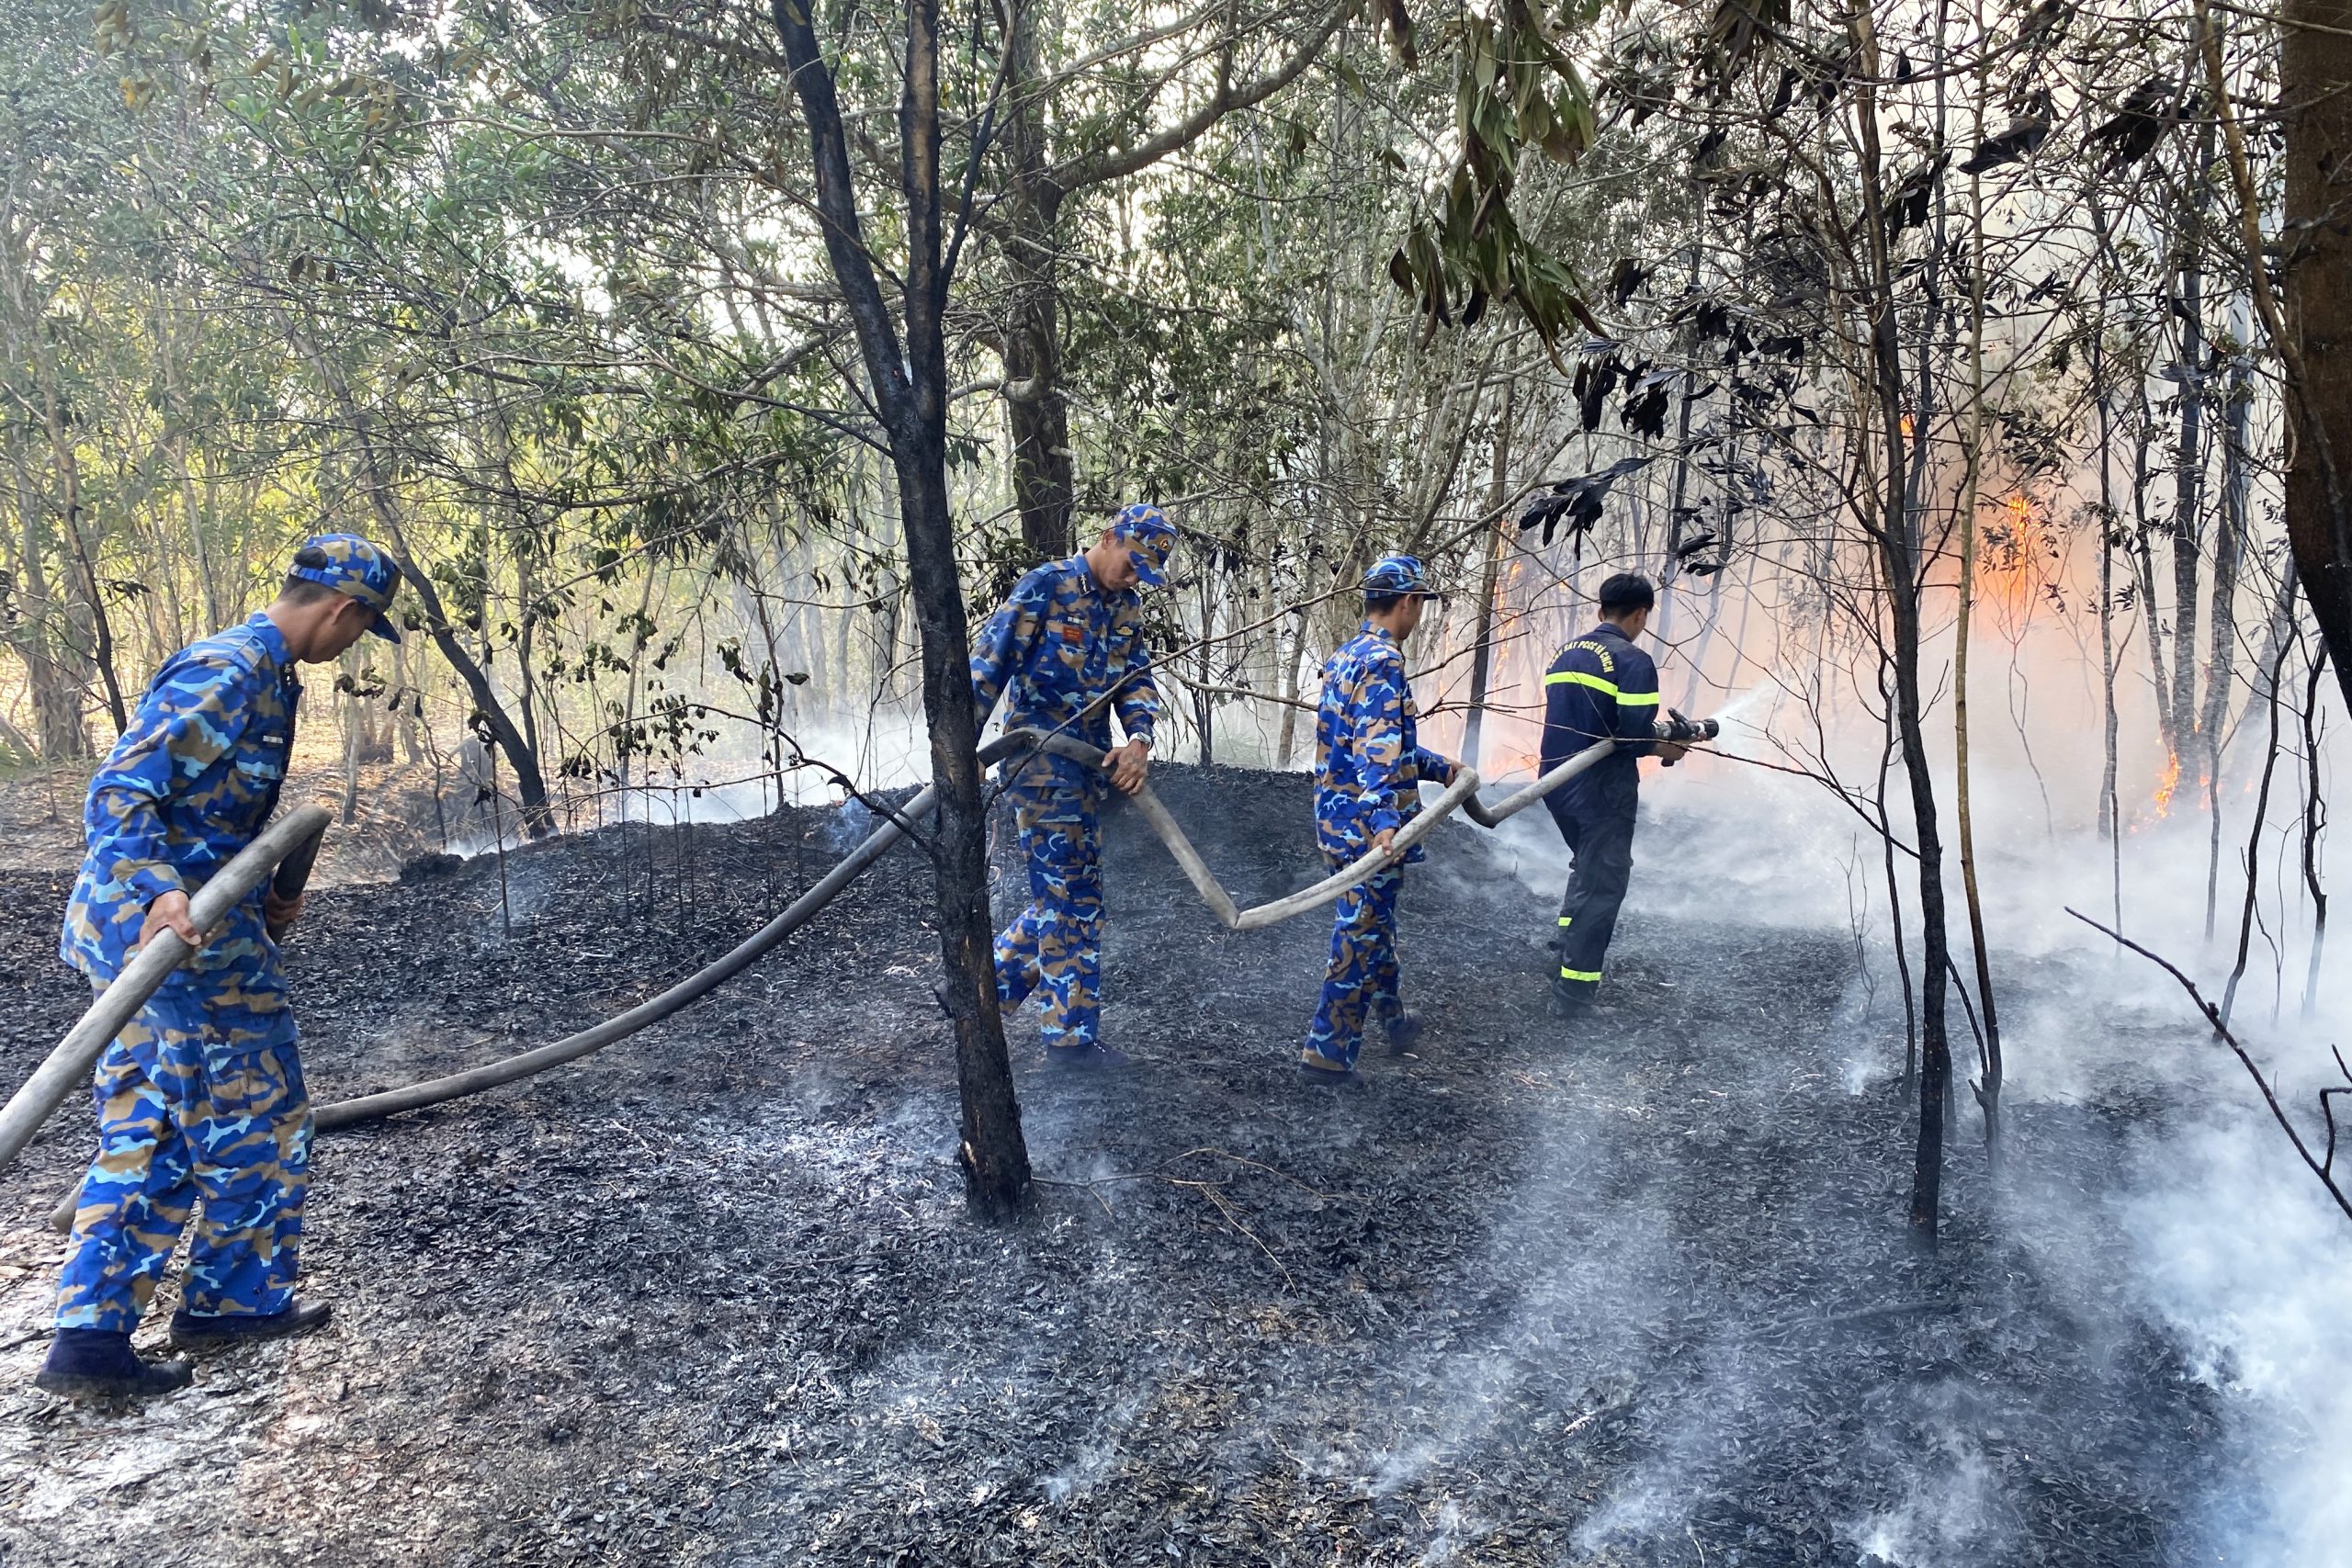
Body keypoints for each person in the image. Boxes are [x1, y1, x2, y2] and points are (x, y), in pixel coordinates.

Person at [37, 535, 403, 1402]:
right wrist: (165, 893)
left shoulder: (268, 672)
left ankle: (94, 1337)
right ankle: (231, 1300)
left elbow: (212, 812)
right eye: (363, 629)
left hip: (190, 930)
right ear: (344, 610)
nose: (356, 644)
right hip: (174, 941)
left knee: (149, 1120)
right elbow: (119, 790)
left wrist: (271, 891)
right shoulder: (230, 669)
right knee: (259, 1111)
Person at [968, 504, 1175, 1069]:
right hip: (1037, 764)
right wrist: (960, 756)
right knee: (1072, 902)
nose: (1134, 579)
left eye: (1144, 575)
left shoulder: (1125, 607)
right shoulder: (1047, 586)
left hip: (1089, 768)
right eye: (1132, 565)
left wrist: (1138, 740)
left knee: (1068, 897)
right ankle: (1069, 1041)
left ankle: (982, 992)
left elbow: (1137, 681)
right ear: (1109, 537)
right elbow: (986, 667)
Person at [1298, 555, 1462, 1082]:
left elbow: (1364, 741)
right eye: (1420, 606)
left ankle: (1393, 1021)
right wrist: (1383, 819)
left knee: (1374, 923)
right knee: (1359, 930)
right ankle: (1326, 1056)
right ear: (1408, 602)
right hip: (1367, 827)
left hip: (1335, 817)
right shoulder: (1385, 661)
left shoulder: (1345, 656)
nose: (1419, 617)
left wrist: (1439, 768)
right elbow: (1376, 751)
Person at [1538, 571, 1689, 1020]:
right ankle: (1575, 996)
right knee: (1604, 885)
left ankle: (1565, 944)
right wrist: (1669, 748)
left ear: (1601, 610)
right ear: (1642, 613)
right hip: (1602, 788)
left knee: (1586, 862)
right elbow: (1630, 736)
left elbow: (1593, 721)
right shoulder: (1633, 660)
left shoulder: (1565, 654)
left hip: (1556, 780)